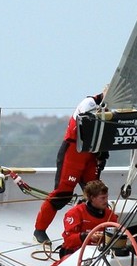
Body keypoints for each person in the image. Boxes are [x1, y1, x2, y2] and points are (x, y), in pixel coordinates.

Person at [33, 91, 106, 244]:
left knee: (96, 192)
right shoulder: (89, 103)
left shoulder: (111, 107)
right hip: (73, 152)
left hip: (91, 154)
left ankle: (96, 233)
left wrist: (103, 153)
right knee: (63, 193)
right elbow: (90, 125)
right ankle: (39, 231)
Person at [59, 180, 118, 257]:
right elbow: (69, 241)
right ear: (92, 198)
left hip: (101, 253)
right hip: (77, 253)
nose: (106, 201)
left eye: (107, 197)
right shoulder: (75, 213)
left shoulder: (110, 215)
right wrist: (87, 236)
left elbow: (116, 235)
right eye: (102, 198)